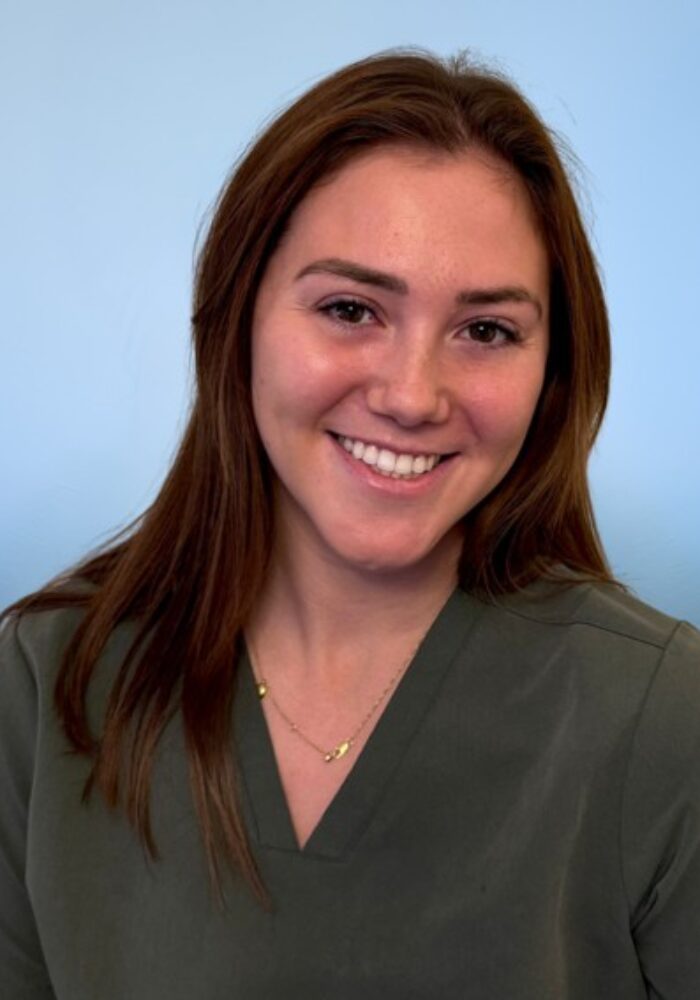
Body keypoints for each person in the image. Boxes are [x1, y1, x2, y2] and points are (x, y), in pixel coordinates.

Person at [1, 48, 699, 1000]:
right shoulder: (49, 683)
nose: (413, 396)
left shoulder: (665, 719)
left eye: (486, 329)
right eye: (350, 309)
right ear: (237, 317)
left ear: (553, 372)